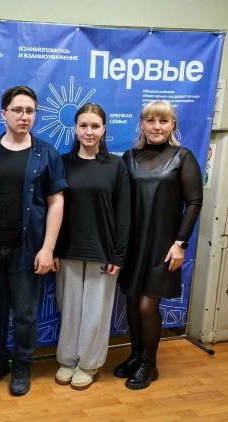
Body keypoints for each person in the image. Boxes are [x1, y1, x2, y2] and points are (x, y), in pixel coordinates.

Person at [0, 86, 66, 396]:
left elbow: (56, 201)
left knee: (26, 314)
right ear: (4, 114)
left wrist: (48, 248)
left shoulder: (46, 152)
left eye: (30, 111)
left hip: (28, 250)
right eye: (18, 110)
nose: (24, 116)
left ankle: (21, 364)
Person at [116, 100, 203, 390]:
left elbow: (194, 202)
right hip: (134, 243)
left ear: (172, 125)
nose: (156, 127)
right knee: (131, 301)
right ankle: (136, 355)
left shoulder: (183, 157)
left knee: (146, 306)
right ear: (141, 125)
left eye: (163, 121)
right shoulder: (129, 157)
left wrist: (180, 243)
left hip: (164, 246)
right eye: (151, 121)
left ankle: (149, 363)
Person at [53, 103, 130, 390]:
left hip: (103, 251)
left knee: (95, 313)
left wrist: (118, 255)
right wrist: (54, 249)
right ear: (75, 128)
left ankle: (89, 363)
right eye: (83, 125)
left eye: (95, 126)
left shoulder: (116, 166)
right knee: (70, 310)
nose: (89, 131)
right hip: (68, 249)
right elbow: (53, 209)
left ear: (104, 129)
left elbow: (123, 214)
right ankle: (68, 359)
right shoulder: (62, 163)